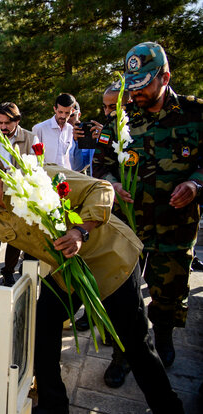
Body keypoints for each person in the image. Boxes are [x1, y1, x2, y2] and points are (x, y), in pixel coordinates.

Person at [0, 151, 184, 413]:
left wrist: (79, 231)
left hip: (111, 263)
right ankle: (53, 406)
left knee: (135, 346)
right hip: (66, 275)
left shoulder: (38, 179)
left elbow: (101, 189)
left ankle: (168, 407)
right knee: (40, 334)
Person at [93, 41, 203, 369]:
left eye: (143, 86)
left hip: (175, 226)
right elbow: (101, 163)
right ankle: (122, 354)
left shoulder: (195, 114)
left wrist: (196, 183)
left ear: (165, 77)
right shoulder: (121, 119)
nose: (136, 95)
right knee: (121, 294)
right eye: (132, 87)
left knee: (168, 291)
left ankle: (164, 337)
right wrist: (110, 182)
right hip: (128, 227)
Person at [75, 83, 132, 389]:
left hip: (158, 223)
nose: (108, 113)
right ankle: (109, 337)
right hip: (116, 219)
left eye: (115, 107)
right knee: (108, 282)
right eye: (106, 108)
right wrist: (112, 184)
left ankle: (131, 351)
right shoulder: (108, 132)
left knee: (133, 296)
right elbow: (100, 170)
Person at [0, 102, 34, 287]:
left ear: (17, 121)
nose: (2, 127)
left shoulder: (30, 138)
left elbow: (34, 169)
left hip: (20, 197)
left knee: (15, 238)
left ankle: (9, 272)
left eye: (6, 123)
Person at [32, 93, 76, 169]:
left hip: (68, 176)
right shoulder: (39, 129)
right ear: (55, 109)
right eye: (60, 112)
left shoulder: (72, 130)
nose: (63, 116)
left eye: (67, 113)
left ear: (72, 111)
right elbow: (33, 157)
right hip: (46, 176)